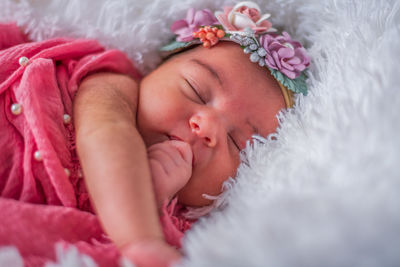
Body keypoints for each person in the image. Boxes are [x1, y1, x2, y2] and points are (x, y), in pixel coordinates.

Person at [0, 2, 310, 266]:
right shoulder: (112, 84)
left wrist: (158, 198)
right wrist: (140, 235)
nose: (208, 126)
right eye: (197, 90)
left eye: (236, 142)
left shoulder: (190, 232)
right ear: (154, 71)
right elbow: (104, 135)